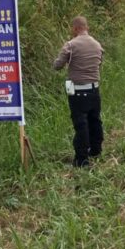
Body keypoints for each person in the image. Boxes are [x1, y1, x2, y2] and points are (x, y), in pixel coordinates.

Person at [53, 16, 104, 167]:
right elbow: (99, 62)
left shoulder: (70, 45)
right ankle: (96, 150)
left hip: (78, 92)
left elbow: (57, 65)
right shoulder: (97, 45)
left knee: (81, 124)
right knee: (95, 120)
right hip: (94, 90)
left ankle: (82, 159)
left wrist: (60, 61)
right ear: (86, 27)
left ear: (75, 28)